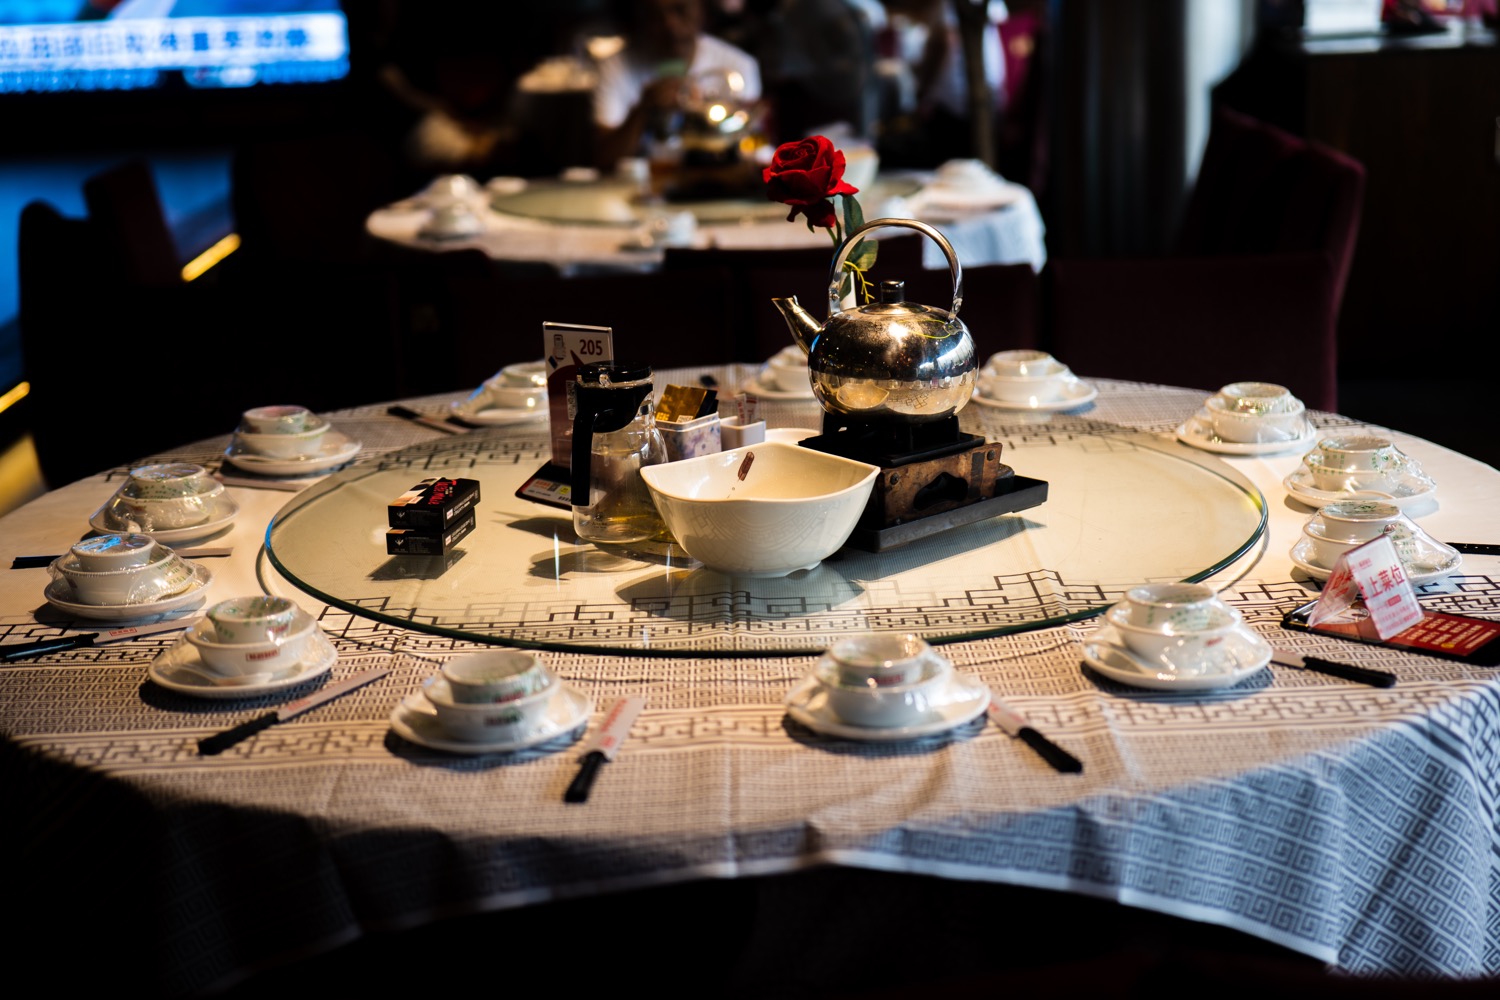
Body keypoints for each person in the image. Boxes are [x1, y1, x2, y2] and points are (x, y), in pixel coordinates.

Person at [593, 0, 763, 170]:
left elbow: (750, 150)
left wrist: (700, 110)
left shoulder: (738, 66)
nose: (670, 24)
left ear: (701, 10)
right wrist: (642, 109)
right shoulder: (617, 65)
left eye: (680, 10)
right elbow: (603, 158)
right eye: (655, 15)